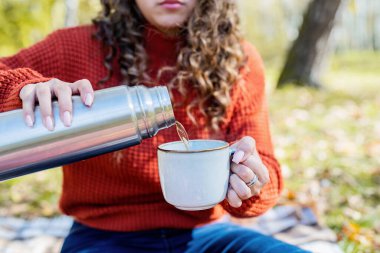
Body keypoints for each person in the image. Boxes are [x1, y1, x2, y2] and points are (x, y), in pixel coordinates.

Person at [0, 0, 309, 252]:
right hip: (103, 239)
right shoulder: (74, 47)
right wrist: (23, 86)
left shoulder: (237, 60)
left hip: (207, 237)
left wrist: (251, 181)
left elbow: (265, 174)